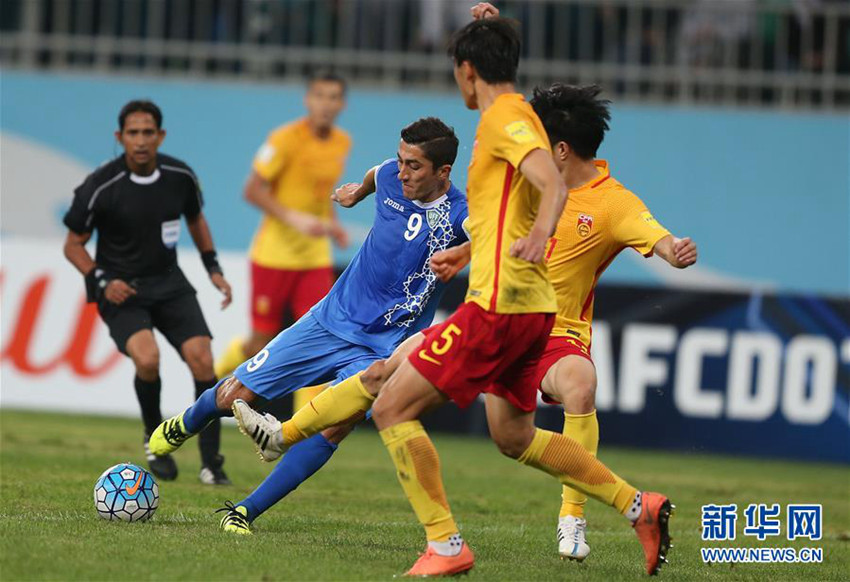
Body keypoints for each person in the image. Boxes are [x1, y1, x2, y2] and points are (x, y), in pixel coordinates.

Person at [235, 14, 672, 578]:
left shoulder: (504, 120)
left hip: (500, 306)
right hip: (533, 309)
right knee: (512, 436)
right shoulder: (517, 114)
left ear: (467, 73)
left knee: (392, 402)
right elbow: (515, 194)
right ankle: (640, 506)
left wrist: (539, 235)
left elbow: (547, 177)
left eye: (459, 71)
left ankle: (443, 544)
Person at [148, 118, 470, 532]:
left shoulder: (459, 215)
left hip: (383, 348)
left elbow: (490, 237)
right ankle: (187, 421)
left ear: (443, 172)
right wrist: (358, 190)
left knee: (338, 425)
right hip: (330, 320)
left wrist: (468, 253)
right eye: (402, 160)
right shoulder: (391, 175)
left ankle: (245, 511)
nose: (402, 171)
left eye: (414, 166)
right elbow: (377, 173)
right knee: (235, 395)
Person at [62, 99, 233, 485]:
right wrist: (102, 279)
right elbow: (72, 245)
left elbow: (196, 219)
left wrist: (213, 268)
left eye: (148, 132)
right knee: (148, 359)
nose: (140, 140)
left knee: (203, 361)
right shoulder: (100, 186)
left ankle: (211, 464)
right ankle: (155, 440)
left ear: (161, 135)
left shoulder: (179, 176)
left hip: (169, 282)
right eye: (133, 133)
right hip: (121, 290)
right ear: (120, 137)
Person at [213, 71, 351, 413]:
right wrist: (294, 219)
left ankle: (304, 425)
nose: (326, 104)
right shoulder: (284, 139)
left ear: (342, 104)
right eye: (319, 95)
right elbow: (252, 190)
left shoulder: (341, 143)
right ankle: (210, 380)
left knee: (319, 340)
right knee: (260, 341)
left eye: (333, 97)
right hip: (274, 255)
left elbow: (318, 197)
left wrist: (333, 225)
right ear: (308, 99)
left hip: (315, 258)